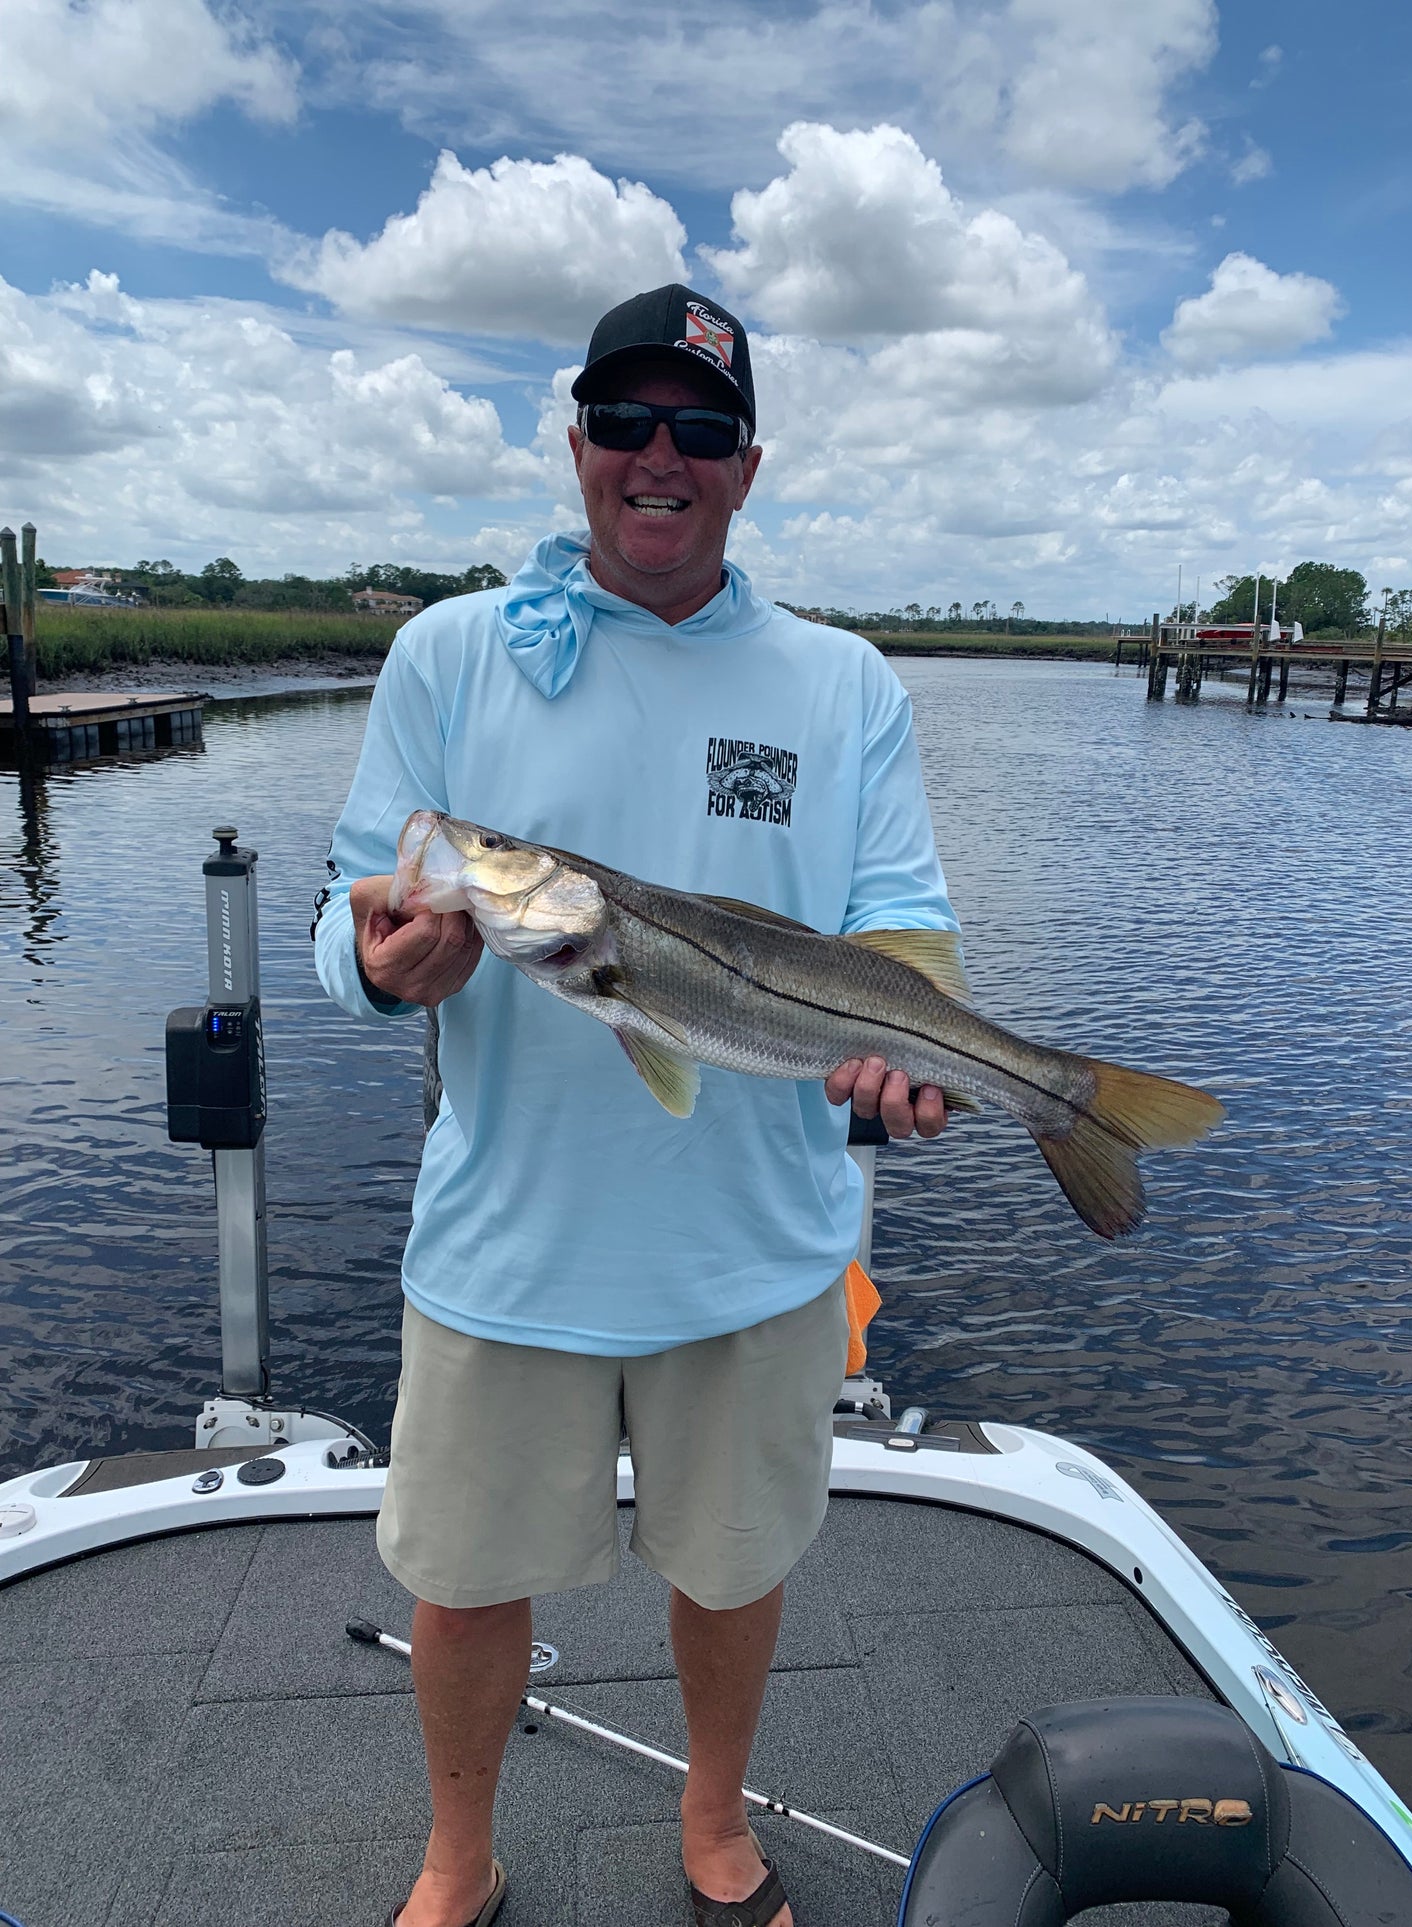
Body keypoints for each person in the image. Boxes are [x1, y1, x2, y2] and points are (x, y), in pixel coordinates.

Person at [313, 283, 960, 1927]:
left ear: (745, 465)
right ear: (578, 443)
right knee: (459, 1584)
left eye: (698, 428)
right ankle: (458, 1857)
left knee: (734, 1568)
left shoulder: (842, 683)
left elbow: (897, 921)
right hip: (505, 1245)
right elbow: (350, 905)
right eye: (624, 422)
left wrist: (915, 1042)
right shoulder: (451, 653)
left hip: (755, 1245)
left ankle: (715, 1823)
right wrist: (384, 968)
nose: (656, 456)